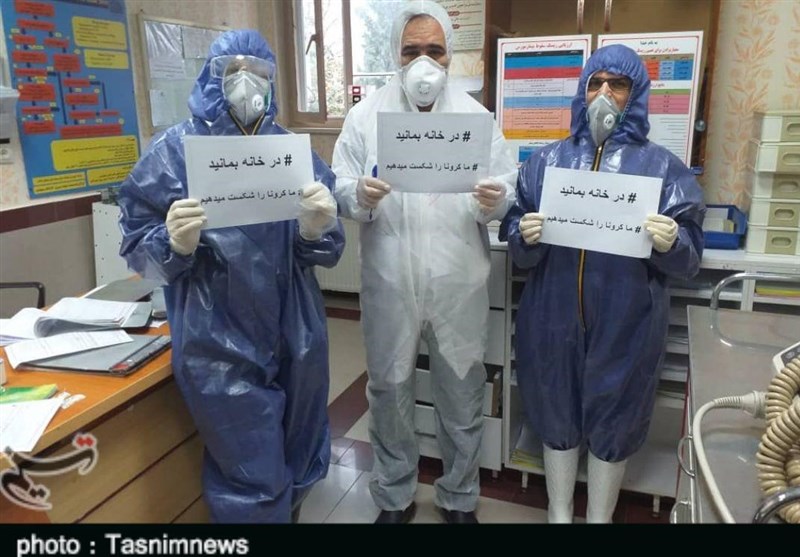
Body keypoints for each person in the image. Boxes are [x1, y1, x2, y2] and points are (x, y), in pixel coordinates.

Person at [117, 29, 345, 523]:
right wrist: (172, 243)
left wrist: (316, 230)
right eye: (233, 71)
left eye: (258, 72)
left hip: (297, 329)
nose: (246, 83)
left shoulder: (290, 152)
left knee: (300, 450)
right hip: (217, 336)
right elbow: (137, 251)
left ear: (273, 79)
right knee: (251, 474)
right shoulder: (173, 153)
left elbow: (330, 249)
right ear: (211, 76)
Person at [500, 44, 705, 523]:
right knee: (554, 406)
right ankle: (557, 513)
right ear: (582, 90)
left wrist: (673, 242)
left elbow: (690, 259)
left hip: (629, 322)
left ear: (638, 93)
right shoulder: (544, 162)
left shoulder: (664, 169)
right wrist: (522, 234)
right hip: (552, 317)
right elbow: (518, 242)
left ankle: (599, 519)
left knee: (617, 413)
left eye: (619, 84)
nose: (605, 94)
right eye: (595, 83)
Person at [332, 1, 517, 524]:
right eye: (411, 50)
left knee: (461, 390)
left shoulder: (476, 119)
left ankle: (459, 496)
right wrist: (357, 195)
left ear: (449, 54)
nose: (423, 63)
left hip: (458, 280)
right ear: (396, 53)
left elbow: (507, 185)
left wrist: (496, 201)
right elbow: (339, 182)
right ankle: (394, 494)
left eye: (434, 50)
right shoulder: (365, 117)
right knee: (389, 390)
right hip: (389, 278)